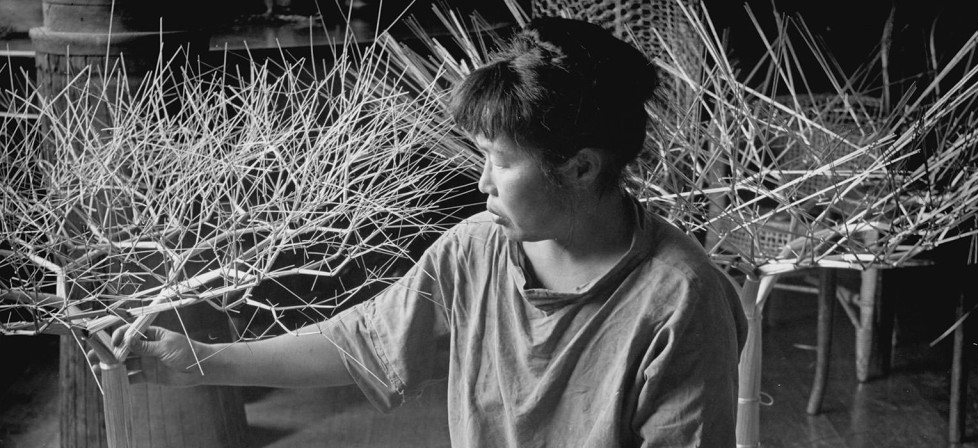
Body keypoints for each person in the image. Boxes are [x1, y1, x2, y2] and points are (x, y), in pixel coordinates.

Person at [91, 17, 747, 447]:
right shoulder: (478, 248)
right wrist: (201, 362)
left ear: (580, 168)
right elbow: (363, 342)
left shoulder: (679, 299)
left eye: (501, 161)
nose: (482, 182)